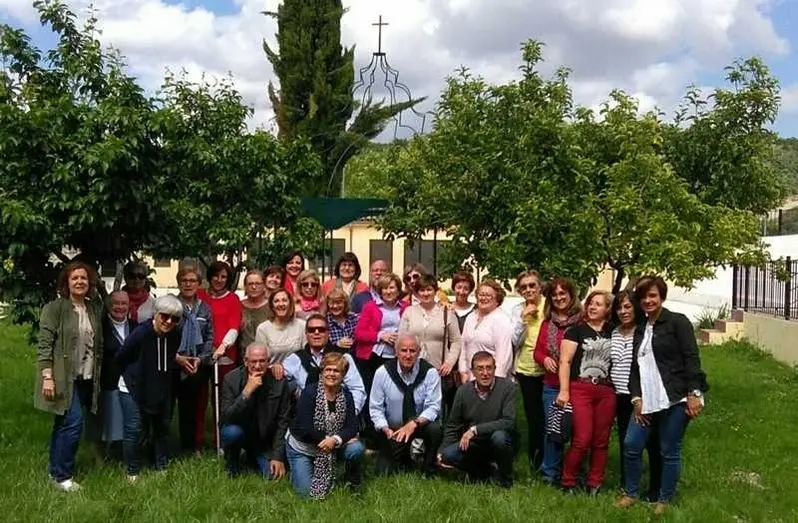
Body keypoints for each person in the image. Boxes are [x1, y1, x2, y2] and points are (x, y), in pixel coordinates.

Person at [617, 277, 709, 516]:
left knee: (668, 450)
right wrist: (636, 398)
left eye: (653, 295)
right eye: (644, 297)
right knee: (631, 444)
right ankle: (630, 493)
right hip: (646, 399)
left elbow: (691, 358)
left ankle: (664, 499)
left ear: (661, 297)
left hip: (674, 398)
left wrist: (694, 393)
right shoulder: (641, 328)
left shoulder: (677, 322)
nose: (648, 300)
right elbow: (635, 368)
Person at [36, 262, 104, 492]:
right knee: (74, 423)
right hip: (63, 378)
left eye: (83, 278)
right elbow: (44, 345)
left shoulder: (93, 308)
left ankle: (54, 471)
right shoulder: (55, 308)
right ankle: (63, 476)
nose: (79, 282)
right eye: (74, 278)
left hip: (87, 376)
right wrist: (47, 376)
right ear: (66, 282)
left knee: (62, 423)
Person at [117, 295, 194, 481]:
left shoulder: (175, 333)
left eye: (175, 319)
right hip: (133, 387)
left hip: (161, 385)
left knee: (162, 426)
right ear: (156, 314)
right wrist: (134, 376)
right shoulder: (141, 333)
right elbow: (122, 357)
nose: (169, 322)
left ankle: (161, 466)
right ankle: (132, 471)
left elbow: (169, 355)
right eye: (165, 316)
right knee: (135, 429)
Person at [556, 290, 614, 495]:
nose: (592, 307)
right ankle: (568, 481)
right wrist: (564, 391)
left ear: (607, 309)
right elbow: (565, 361)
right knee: (582, 439)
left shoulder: (614, 332)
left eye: (598, 304)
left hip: (607, 390)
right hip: (581, 388)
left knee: (601, 440)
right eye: (590, 303)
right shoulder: (575, 331)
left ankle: (594, 482)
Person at [286, 352, 364, 498]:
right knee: (306, 495)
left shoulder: (347, 395)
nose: (331, 374)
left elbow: (352, 426)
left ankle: (352, 482)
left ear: (343, 375)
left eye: (336, 371)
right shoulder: (309, 393)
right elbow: (305, 428)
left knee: (356, 448)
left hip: (331, 446)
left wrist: (335, 440)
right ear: (321, 372)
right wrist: (330, 439)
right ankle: (297, 472)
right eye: (328, 369)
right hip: (303, 448)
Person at [438, 351, 517, 488]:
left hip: (499, 440)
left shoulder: (507, 387)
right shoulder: (463, 391)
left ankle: (505, 480)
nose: (485, 373)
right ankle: (484, 471)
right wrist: (442, 451)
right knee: (448, 455)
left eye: (489, 368)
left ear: (494, 369)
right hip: (474, 444)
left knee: (499, 437)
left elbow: (508, 421)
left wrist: (475, 430)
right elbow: (453, 425)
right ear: (473, 372)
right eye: (480, 369)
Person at [369, 334, 442, 476]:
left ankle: (429, 469)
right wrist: (385, 428)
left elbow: (433, 407)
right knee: (384, 472)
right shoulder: (382, 373)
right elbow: (375, 408)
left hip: (420, 425)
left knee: (435, 429)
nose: (408, 355)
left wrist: (414, 423)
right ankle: (405, 458)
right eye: (403, 350)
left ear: (419, 352)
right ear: (396, 352)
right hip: (393, 430)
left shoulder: (430, 373)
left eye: (412, 351)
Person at [533, 277, 583, 486]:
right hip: (552, 386)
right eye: (554, 295)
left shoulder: (582, 322)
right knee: (553, 430)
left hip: (578, 386)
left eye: (563, 293)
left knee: (579, 432)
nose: (559, 297)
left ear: (571, 295)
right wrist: (544, 359)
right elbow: (537, 351)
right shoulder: (547, 323)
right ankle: (549, 473)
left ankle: (574, 473)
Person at [611, 290, 661, 496]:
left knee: (651, 443)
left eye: (627, 307)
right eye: (619, 308)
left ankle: (656, 489)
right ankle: (627, 485)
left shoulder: (644, 331)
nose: (623, 311)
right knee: (625, 441)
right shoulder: (613, 332)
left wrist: (639, 396)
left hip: (641, 395)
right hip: (619, 394)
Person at [219, 343, 290, 480]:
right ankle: (233, 462)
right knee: (232, 432)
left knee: (272, 476)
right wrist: (246, 393)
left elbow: (283, 421)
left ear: (268, 362)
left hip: (263, 439)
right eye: (253, 361)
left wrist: (277, 457)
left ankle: (251, 457)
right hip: (240, 431)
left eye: (262, 361)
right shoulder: (231, 379)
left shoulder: (279, 382)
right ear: (246, 361)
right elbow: (226, 418)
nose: (257, 366)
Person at [280, 314, 366, 414]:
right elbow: (278, 378)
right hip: (306, 415)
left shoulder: (343, 357)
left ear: (328, 333)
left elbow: (357, 390)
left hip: (338, 413)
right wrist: (276, 368)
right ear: (306, 334)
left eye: (321, 329)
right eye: (312, 330)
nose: (316, 333)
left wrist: (349, 414)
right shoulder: (295, 359)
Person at [399, 273, 462, 412]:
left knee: (436, 408)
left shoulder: (447, 312)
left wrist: (450, 362)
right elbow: (401, 339)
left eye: (429, 289)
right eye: (422, 290)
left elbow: (456, 341)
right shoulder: (409, 312)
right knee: (414, 406)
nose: (426, 293)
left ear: (435, 291)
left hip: (438, 369)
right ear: (416, 293)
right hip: (413, 368)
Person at [174, 264, 214, 455]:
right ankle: (178, 447)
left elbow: (210, 337)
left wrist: (200, 359)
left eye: (192, 281)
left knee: (197, 407)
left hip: (198, 364)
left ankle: (195, 446)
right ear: (179, 283)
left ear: (199, 284)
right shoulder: (172, 306)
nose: (188, 284)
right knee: (178, 408)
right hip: (175, 363)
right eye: (184, 281)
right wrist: (178, 358)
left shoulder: (204, 309)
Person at [510, 270, 546, 474]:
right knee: (534, 417)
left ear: (540, 287)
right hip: (526, 369)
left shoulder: (549, 306)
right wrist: (523, 320)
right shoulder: (517, 310)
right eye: (523, 287)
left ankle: (552, 459)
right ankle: (536, 460)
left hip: (549, 369)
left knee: (551, 417)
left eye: (532, 285)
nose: (528, 290)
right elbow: (513, 341)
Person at [91, 290, 135, 454]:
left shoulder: (135, 327)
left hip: (131, 382)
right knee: (106, 420)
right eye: (116, 303)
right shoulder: (99, 327)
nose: (120, 307)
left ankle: (122, 453)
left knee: (128, 421)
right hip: (108, 381)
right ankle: (102, 456)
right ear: (109, 306)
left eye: (124, 303)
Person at [353, 273, 408, 395]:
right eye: (385, 288)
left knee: (396, 393)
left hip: (399, 356)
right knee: (375, 393)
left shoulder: (406, 307)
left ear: (398, 290)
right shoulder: (370, 307)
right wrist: (380, 336)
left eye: (391, 287)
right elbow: (359, 333)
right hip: (374, 356)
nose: (388, 291)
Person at [459, 280, 513, 383]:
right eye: (481, 295)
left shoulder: (501, 319)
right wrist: (463, 371)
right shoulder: (471, 317)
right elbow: (464, 347)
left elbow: (504, 356)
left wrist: (495, 382)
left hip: (490, 380)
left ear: (497, 300)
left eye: (488, 295)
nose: (484, 298)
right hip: (470, 378)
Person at [198, 261, 243, 379]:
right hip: (200, 351)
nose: (219, 280)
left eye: (223, 277)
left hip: (224, 352)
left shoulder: (232, 299)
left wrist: (223, 346)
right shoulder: (199, 295)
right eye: (215, 276)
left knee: (223, 386)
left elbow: (234, 327)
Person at [255, 288, 306, 365]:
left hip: (298, 371)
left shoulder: (302, 325)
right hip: (272, 370)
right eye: (276, 301)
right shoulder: (263, 329)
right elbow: (260, 360)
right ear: (272, 306)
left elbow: (307, 356)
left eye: (284, 300)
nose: (281, 304)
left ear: (290, 304)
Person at [239, 269, 271, 360]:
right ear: (245, 287)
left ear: (264, 286)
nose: (254, 287)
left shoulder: (271, 306)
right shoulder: (238, 306)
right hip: (243, 357)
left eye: (257, 284)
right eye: (250, 284)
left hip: (266, 357)